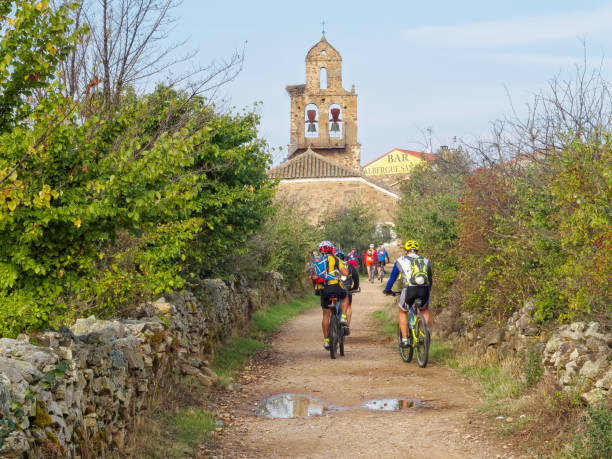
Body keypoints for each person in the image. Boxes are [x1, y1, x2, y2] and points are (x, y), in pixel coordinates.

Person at [383, 240, 432, 348]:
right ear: (417, 251)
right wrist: (429, 291)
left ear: (406, 251)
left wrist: (387, 290)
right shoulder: (425, 260)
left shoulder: (400, 260)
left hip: (410, 289)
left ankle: (404, 339)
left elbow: (392, 278)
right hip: (424, 290)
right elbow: (430, 279)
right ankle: (424, 333)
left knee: (403, 311)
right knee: (424, 309)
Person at [310, 241, 350, 350]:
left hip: (324, 290)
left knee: (325, 315)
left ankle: (326, 341)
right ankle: (343, 317)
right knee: (345, 296)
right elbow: (345, 274)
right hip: (336, 287)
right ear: (332, 249)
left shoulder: (316, 261)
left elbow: (313, 277)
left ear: (320, 250)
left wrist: (317, 289)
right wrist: (344, 271)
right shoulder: (336, 259)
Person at [335, 250, 359, 332]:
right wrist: (355, 287)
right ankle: (346, 327)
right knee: (348, 306)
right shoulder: (350, 266)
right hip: (347, 288)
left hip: (334, 289)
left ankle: (333, 322)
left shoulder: (332, 265)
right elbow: (356, 278)